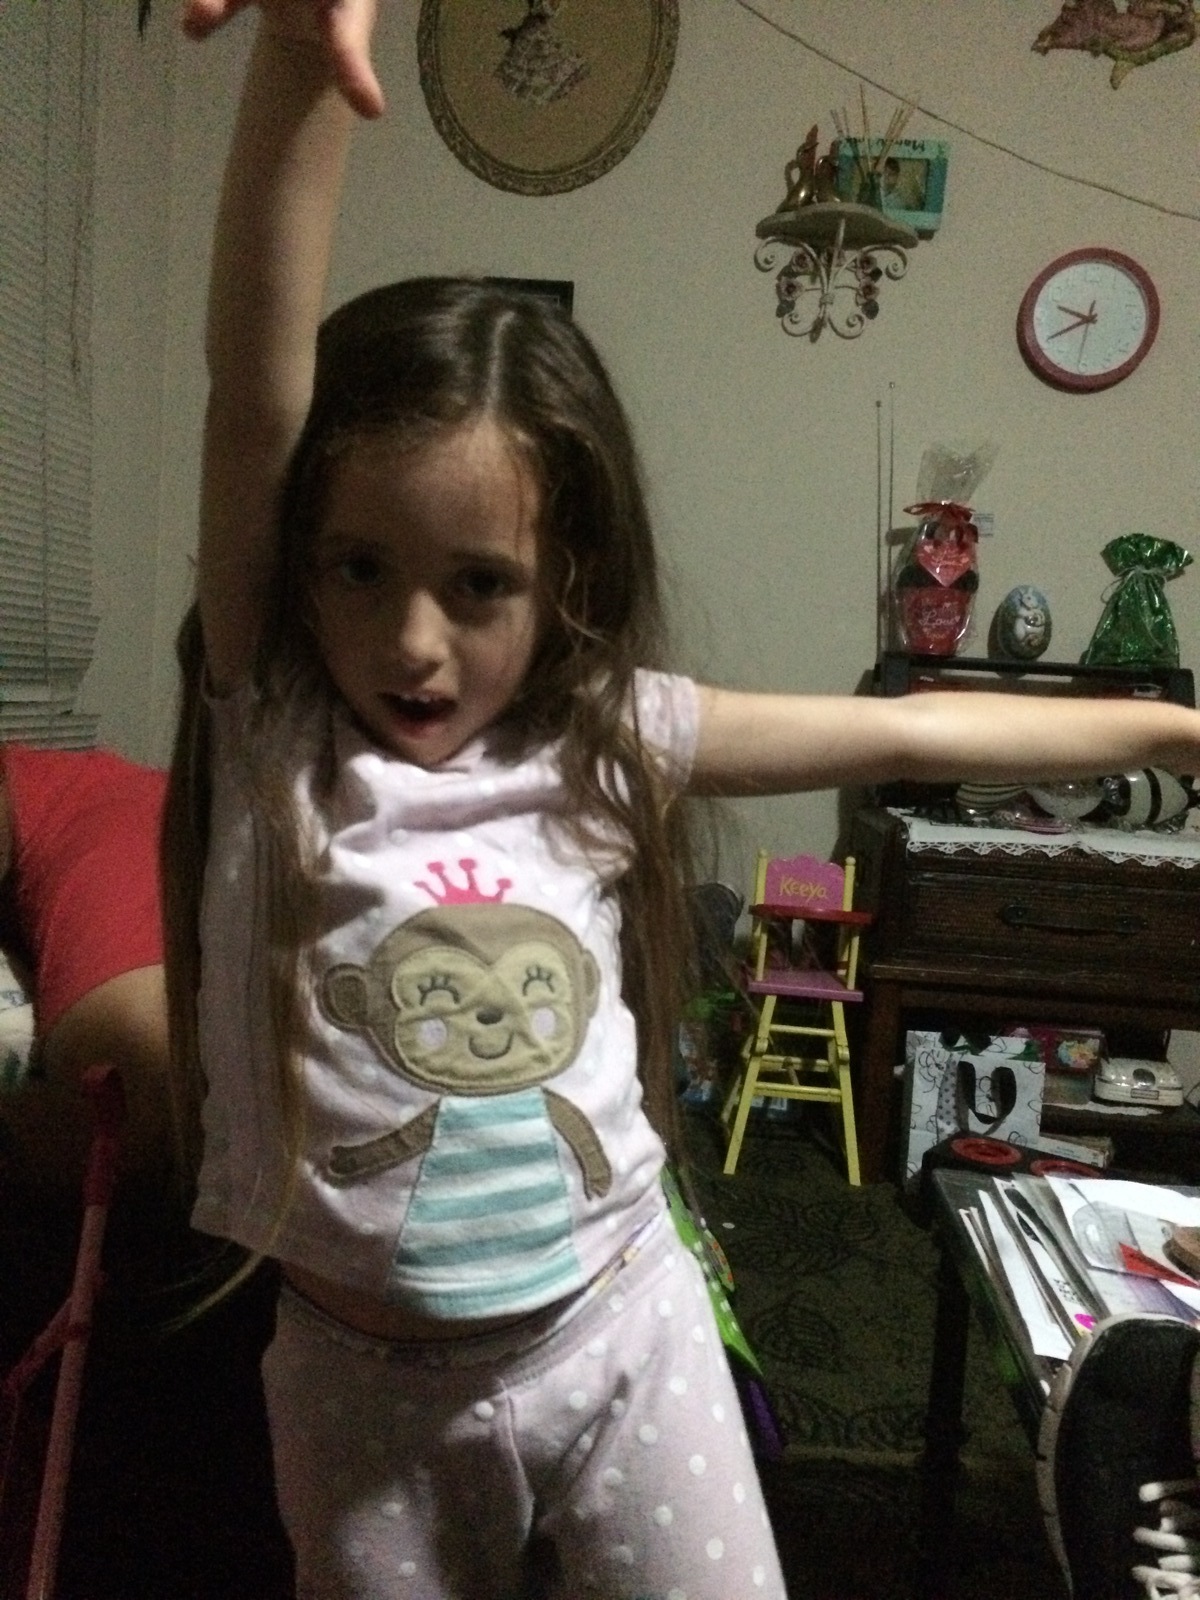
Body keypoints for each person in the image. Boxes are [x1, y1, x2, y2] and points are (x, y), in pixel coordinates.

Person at [168, 4, 1200, 1596]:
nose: (413, 641)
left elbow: (911, 734)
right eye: (360, 568)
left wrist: (1176, 734)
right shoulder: (281, 733)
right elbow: (254, 391)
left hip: (619, 1334)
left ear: (564, 580)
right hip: (367, 1393)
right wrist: (303, 65)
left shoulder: (606, 736)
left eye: (479, 583)